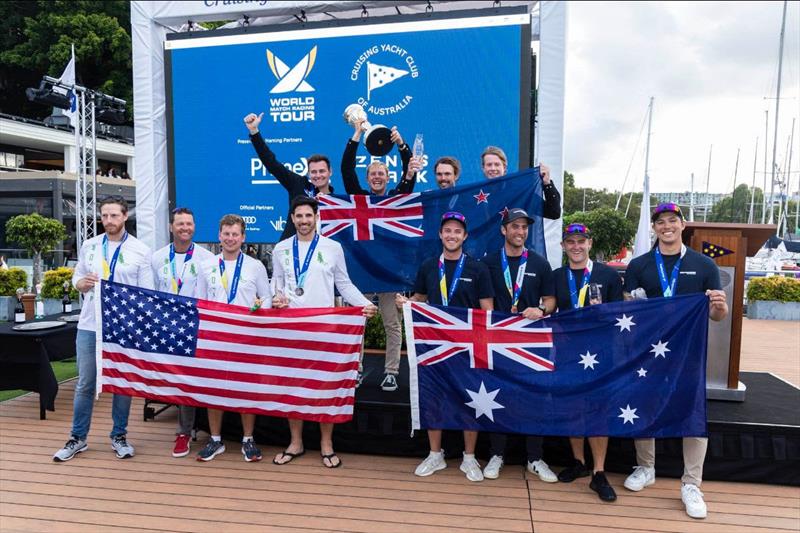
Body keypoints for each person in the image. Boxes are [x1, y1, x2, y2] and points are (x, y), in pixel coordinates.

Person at [622, 203, 728, 519]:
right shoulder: (639, 265)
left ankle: (692, 484)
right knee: (644, 405)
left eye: (673, 220)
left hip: (688, 354)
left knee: (692, 411)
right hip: (648, 353)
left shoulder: (704, 264)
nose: (667, 226)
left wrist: (720, 306)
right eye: (661, 222)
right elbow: (629, 312)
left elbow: (717, 316)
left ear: (683, 225)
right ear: (654, 228)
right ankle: (646, 467)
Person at [271, 196, 377, 468]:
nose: (304, 221)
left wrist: (364, 304)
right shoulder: (281, 249)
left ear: (317, 218)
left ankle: (326, 443)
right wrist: (277, 297)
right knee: (293, 384)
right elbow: (277, 284)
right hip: (291, 327)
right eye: (299, 216)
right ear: (292, 218)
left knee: (325, 385)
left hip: (324, 328)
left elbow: (343, 283)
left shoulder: (332, 248)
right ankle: (296, 442)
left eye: (308, 216)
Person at [53, 196, 154, 462]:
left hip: (123, 328)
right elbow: (77, 277)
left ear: (124, 217)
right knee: (85, 383)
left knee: (121, 384)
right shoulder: (90, 245)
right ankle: (78, 437)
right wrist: (81, 284)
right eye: (104, 216)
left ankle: (119, 436)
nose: (108, 221)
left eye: (114, 216)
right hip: (90, 325)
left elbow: (146, 293)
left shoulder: (140, 250)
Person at [396, 211, 494, 482]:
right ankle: (435, 454)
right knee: (434, 397)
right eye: (447, 230)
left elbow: (487, 310)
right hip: (435, 346)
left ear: (465, 236)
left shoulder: (478, 268)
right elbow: (420, 298)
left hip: (467, 347)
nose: (452, 235)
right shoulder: (429, 266)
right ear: (440, 235)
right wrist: (408, 305)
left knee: (471, 399)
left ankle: (469, 457)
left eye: (457, 231)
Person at [479, 208, 558, 483]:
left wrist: (540, 309)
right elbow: (483, 304)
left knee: (533, 397)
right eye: (514, 226)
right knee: (497, 396)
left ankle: (535, 458)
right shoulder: (488, 262)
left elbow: (551, 300)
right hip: (498, 343)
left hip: (532, 344)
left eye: (524, 227)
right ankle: (497, 454)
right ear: (504, 230)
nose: (520, 231)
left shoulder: (539, 263)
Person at [340, 121, 417, 391]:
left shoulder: (396, 199)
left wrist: (401, 144)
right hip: (361, 270)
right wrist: (357, 136)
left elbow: (410, 176)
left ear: (387, 176)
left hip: (388, 272)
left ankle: (392, 371)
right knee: (357, 322)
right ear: (368, 177)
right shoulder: (358, 198)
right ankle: (356, 369)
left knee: (391, 324)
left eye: (381, 173)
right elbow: (346, 171)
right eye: (372, 173)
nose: (376, 177)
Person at [552, 222, 624, 502]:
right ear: (563, 246)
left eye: (581, 241)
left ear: (590, 244)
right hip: (568, 352)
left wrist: (603, 312)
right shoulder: (557, 275)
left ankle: (599, 472)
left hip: (600, 353)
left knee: (598, 410)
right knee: (573, 406)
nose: (576, 246)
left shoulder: (607, 274)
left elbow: (620, 315)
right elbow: (550, 306)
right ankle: (579, 462)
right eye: (570, 241)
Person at [194, 214, 273, 463]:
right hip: (215, 338)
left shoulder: (255, 266)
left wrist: (260, 306)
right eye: (226, 234)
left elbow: (267, 299)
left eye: (235, 234)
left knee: (246, 389)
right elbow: (201, 302)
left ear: (243, 237)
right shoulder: (207, 266)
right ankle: (215, 440)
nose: (230, 238)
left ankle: (248, 439)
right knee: (213, 389)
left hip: (247, 337)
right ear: (219, 236)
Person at [150, 207, 215, 458]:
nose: (184, 228)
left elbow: (210, 295)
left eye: (189, 223)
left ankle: (192, 430)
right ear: (171, 227)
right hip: (167, 328)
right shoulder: (157, 258)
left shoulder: (207, 258)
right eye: (180, 224)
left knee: (192, 379)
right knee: (177, 380)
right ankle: (184, 430)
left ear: (194, 227)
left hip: (196, 327)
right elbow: (152, 293)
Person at [244, 112, 335, 240]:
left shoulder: (337, 202)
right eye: (313, 172)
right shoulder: (298, 184)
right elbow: (271, 163)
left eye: (322, 171)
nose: (318, 175)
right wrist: (254, 131)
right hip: (291, 250)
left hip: (322, 254)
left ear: (330, 172)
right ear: (308, 173)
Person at [480, 146, 561, 219]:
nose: (493, 168)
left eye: (497, 164)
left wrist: (547, 183)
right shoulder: (475, 194)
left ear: (504, 168)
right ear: (483, 168)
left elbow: (553, 213)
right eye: (489, 165)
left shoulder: (520, 192)